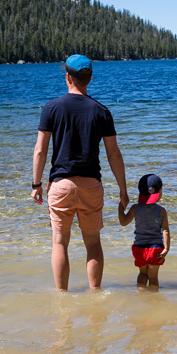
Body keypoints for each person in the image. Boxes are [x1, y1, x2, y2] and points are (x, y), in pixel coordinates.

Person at [31, 54, 128, 291]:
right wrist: (123, 190)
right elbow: (114, 155)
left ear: (67, 77)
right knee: (93, 243)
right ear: (90, 79)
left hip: (61, 184)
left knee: (60, 243)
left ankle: (62, 297)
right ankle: (95, 294)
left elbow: (40, 150)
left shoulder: (52, 107)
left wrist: (36, 184)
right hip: (90, 185)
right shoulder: (101, 111)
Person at [118, 173, 170, 290]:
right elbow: (165, 230)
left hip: (139, 248)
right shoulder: (161, 211)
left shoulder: (135, 208)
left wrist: (120, 207)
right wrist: (166, 248)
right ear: (159, 192)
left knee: (142, 274)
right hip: (155, 248)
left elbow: (123, 222)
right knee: (153, 276)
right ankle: (154, 299)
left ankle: (141, 294)